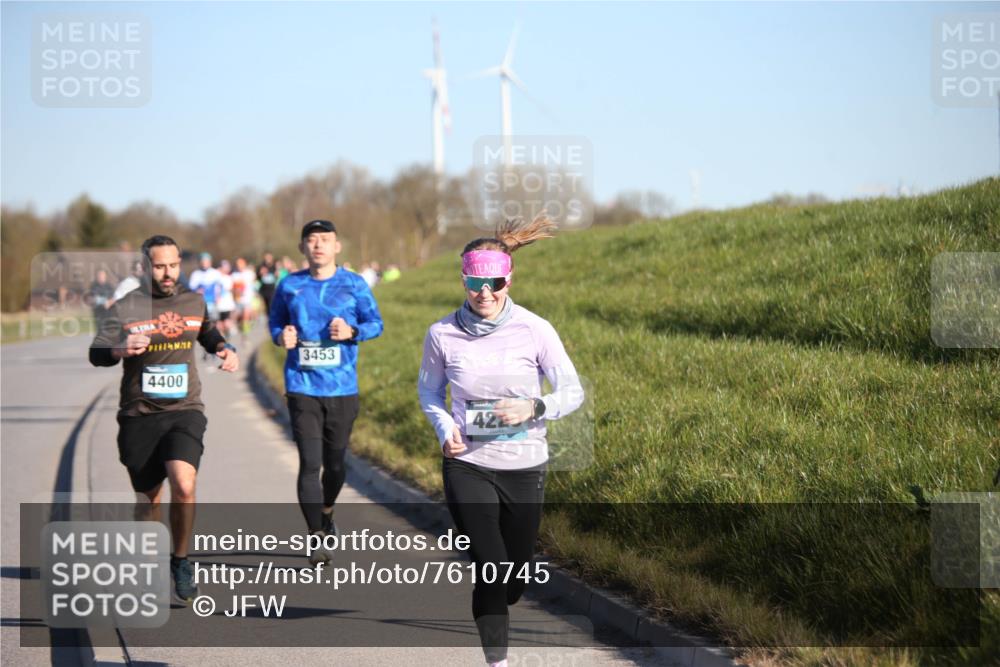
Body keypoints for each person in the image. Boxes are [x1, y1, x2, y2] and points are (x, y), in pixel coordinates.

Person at [417, 214, 584, 667]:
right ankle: (498, 662)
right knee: (491, 568)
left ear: (508, 279)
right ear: (463, 279)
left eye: (494, 281)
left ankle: (507, 589)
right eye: (475, 281)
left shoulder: (535, 329)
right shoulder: (441, 334)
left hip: (525, 464)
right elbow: (430, 391)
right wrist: (443, 427)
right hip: (467, 463)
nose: (484, 292)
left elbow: (573, 390)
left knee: (515, 576)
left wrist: (536, 407)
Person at [89, 235, 240, 603]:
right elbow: (96, 352)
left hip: (184, 410)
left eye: (173, 265)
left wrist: (224, 348)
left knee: (184, 484)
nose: (168, 272)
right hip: (139, 415)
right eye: (160, 266)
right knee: (148, 501)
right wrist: (120, 349)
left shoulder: (194, 300)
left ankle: (181, 560)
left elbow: (207, 333)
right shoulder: (127, 306)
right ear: (145, 267)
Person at [268, 219, 384, 564]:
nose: (318, 245)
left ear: (337, 247)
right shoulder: (289, 285)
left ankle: (328, 511)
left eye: (325, 240)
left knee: (335, 465)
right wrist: (280, 337)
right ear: (302, 248)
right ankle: (316, 536)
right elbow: (274, 323)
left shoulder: (354, 284)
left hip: (342, 386)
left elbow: (375, 324)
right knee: (309, 463)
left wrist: (351, 331)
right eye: (311, 240)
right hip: (302, 384)